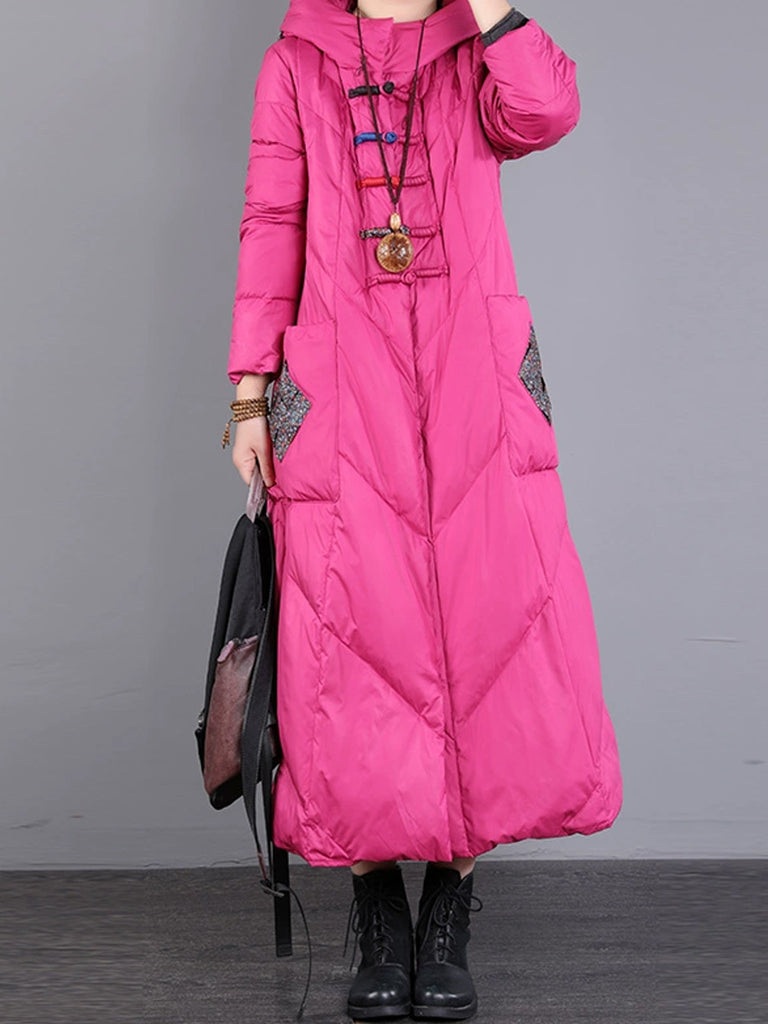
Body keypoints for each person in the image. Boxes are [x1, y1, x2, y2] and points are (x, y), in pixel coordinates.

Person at [224, 0, 623, 1019]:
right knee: (354, 643)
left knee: (485, 632)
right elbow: (272, 221)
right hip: (341, 383)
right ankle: (379, 915)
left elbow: (546, 109)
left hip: (474, 378)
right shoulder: (296, 62)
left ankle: (449, 904)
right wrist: (250, 394)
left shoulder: (473, 53)